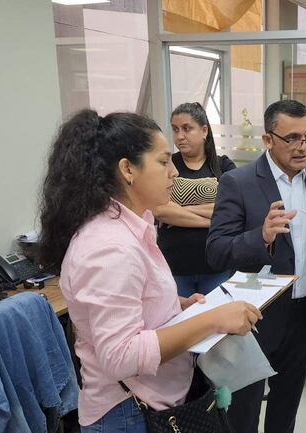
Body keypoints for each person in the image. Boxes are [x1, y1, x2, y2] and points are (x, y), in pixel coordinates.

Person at [37, 110, 261, 433]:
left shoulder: (133, 224)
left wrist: (176, 306)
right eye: (163, 161)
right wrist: (212, 319)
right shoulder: (109, 247)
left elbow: (134, 304)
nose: (174, 173)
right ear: (128, 169)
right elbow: (120, 356)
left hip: (154, 400)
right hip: (128, 413)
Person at [206, 99, 306, 433]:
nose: (303, 147)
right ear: (268, 140)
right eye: (291, 138)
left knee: (287, 403)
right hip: (254, 316)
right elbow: (216, 251)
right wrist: (260, 237)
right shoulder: (240, 182)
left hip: (303, 312)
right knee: (245, 409)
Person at [155, 102, 237, 297]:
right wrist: (211, 221)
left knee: (218, 324)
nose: (179, 136)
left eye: (186, 128)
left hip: (216, 265)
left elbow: (231, 210)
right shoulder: (167, 164)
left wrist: (178, 210)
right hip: (174, 266)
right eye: (175, 130)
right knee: (180, 323)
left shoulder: (223, 166)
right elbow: (159, 209)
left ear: (204, 131)